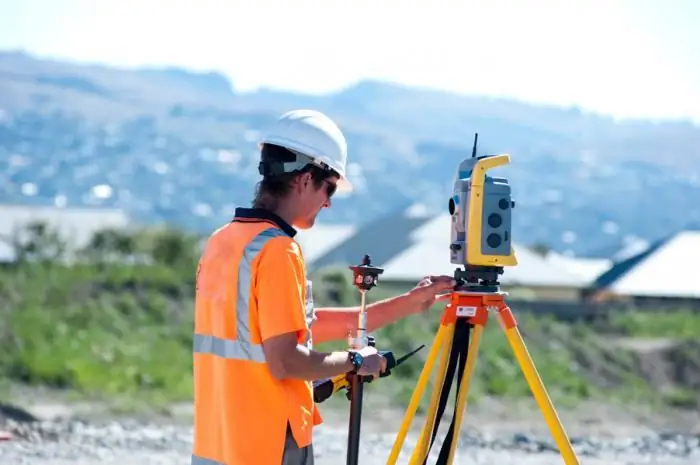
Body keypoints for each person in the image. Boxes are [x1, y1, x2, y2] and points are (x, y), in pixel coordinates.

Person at [190, 109, 456, 465]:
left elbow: (297, 329)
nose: (329, 201)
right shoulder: (278, 250)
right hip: (266, 444)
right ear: (303, 179)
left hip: (218, 442)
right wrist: (357, 361)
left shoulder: (223, 242)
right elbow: (286, 360)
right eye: (328, 187)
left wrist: (411, 301)